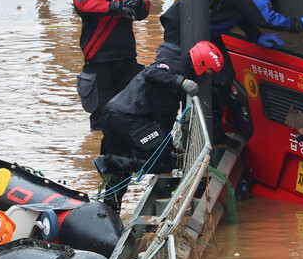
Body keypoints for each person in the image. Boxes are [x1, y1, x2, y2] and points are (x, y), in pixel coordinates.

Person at [160, 0, 303, 145]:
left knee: (224, 75)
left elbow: (242, 10)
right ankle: (188, 137)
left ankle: (213, 134)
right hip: (184, 28)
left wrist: (255, 36)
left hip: (202, 28)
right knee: (186, 77)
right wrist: (299, 24)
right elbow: (266, 17)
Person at [93, 40, 224, 209]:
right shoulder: (174, 65)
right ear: (202, 63)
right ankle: (110, 161)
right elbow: (152, 72)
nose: (208, 75)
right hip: (127, 119)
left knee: (118, 176)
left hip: (121, 117)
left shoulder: (179, 70)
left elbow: (164, 113)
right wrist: (182, 82)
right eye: (209, 71)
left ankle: (110, 210)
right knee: (164, 162)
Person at [73, 0, 150, 130]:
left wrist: (138, 3)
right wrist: (117, 7)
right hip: (99, 61)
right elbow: (85, 5)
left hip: (126, 58)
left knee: (132, 109)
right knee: (100, 116)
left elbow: (145, 7)